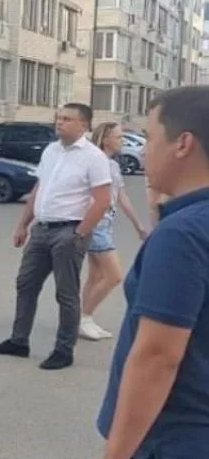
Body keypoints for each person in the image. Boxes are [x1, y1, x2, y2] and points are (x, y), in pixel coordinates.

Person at [95, 86, 209, 459]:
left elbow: (159, 356)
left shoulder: (183, 234)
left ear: (183, 144)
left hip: (174, 451)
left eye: (151, 137)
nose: (144, 151)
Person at [0, 103, 112, 370]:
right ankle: (19, 341)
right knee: (26, 283)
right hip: (42, 229)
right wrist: (23, 224)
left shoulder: (94, 157)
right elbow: (39, 189)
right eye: (58, 118)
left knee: (66, 293)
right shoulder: (51, 151)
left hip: (69, 231)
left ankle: (63, 350)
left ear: (83, 125)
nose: (59, 123)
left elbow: (102, 201)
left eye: (66, 119)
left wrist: (80, 233)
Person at [79, 123, 149, 341]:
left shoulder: (112, 165)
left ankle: (84, 318)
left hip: (104, 224)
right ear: (105, 139)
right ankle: (84, 318)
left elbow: (121, 196)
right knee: (114, 276)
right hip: (97, 225)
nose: (122, 141)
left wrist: (138, 224)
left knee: (96, 275)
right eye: (118, 137)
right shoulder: (96, 162)